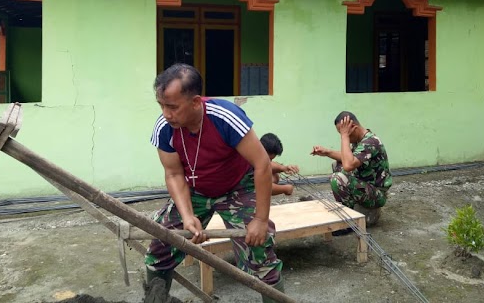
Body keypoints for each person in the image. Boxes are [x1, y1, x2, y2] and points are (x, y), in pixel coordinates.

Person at [145, 63, 284, 303]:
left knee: (259, 251)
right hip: (195, 190)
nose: (166, 114)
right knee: (160, 246)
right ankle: (155, 299)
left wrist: (260, 220)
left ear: (196, 102)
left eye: (173, 107)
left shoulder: (226, 117)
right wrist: (187, 217)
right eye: (161, 106)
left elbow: (262, 164)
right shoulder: (165, 128)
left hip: (237, 188)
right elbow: (174, 174)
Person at [310, 111, 392, 231]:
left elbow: (348, 165)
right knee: (338, 165)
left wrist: (345, 136)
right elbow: (348, 157)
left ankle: (348, 223)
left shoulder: (371, 142)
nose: (342, 135)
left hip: (376, 195)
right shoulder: (361, 140)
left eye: (343, 132)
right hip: (367, 188)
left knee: (337, 178)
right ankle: (350, 209)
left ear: (353, 127)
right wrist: (327, 152)